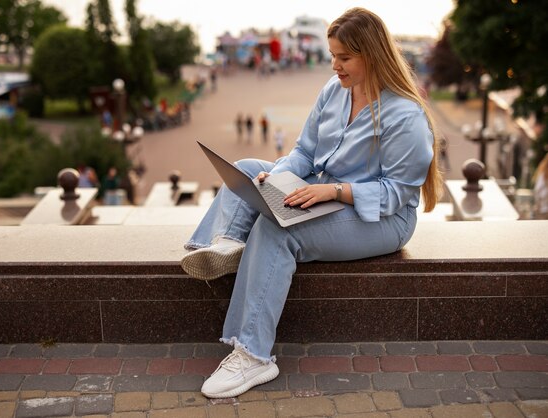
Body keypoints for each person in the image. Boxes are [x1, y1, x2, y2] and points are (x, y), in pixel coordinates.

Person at [180, 7, 442, 399]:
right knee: (249, 168)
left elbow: (397, 193)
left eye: (344, 57)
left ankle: (253, 356)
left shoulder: (406, 116)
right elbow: (304, 151)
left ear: (372, 55)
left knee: (276, 230)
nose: (334, 65)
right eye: (332, 54)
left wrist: (335, 192)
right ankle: (229, 245)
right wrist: (278, 176)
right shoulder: (334, 91)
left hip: (382, 216)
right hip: (325, 192)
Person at [533, 152, 548, 219]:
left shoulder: (541, 175)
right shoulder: (542, 175)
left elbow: (538, 190)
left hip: (543, 208)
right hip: (544, 209)